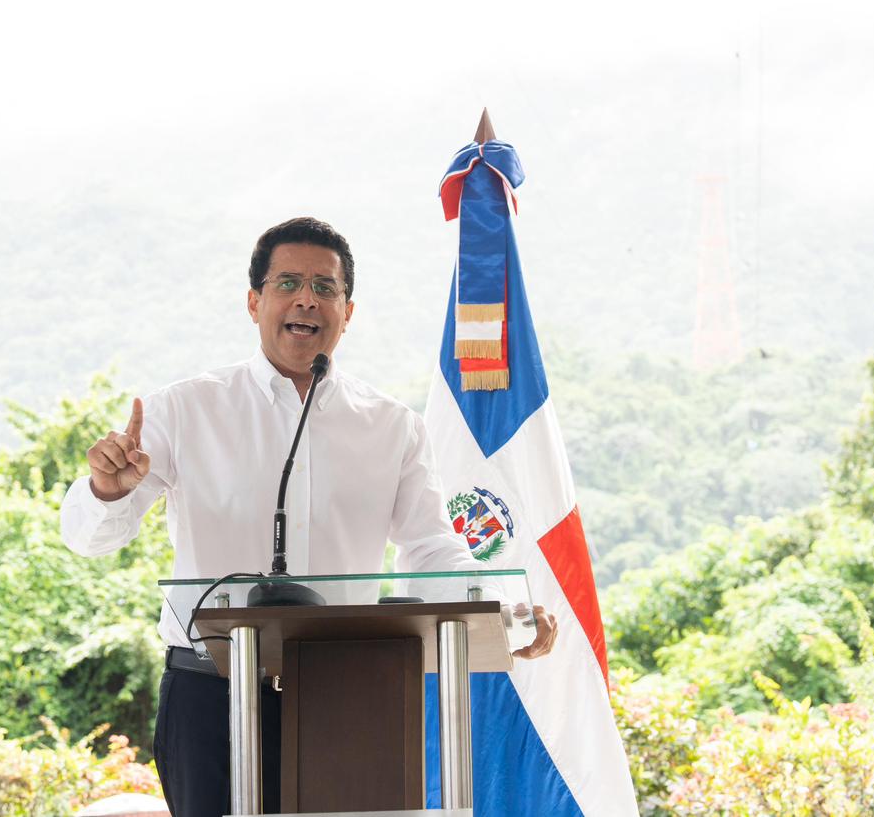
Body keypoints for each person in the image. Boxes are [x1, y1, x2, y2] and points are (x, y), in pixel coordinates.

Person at [61, 217, 558, 817]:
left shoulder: (392, 426)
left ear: (348, 312)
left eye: (325, 288)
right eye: (288, 283)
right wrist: (106, 490)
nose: (306, 299)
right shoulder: (186, 409)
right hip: (210, 693)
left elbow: (430, 548)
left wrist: (501, 610)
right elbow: (88, 540)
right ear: (254, 302)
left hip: (346, 692)